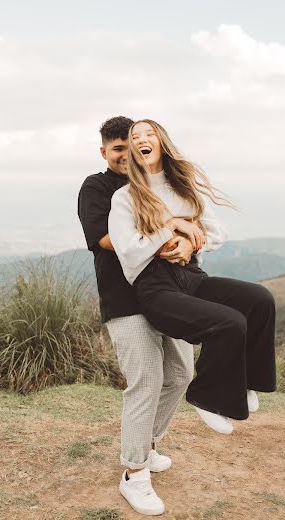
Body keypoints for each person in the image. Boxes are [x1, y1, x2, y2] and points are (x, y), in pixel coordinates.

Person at [108, 119, 276, 513]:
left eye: (149, 134)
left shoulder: (185, 186)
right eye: (135, 138)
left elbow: (216, 233)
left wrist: (187, 239)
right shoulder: (126, 197)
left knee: (258, 300)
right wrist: (170, 229)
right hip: (154, 286)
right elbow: (129, 251)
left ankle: (246, 381)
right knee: (227, 323)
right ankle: (206, 397)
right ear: (131, 151)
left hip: (191, 275)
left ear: (162, 142)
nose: (142, 140)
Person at [78, 117, 206, 517]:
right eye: (116, 148)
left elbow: (193, 221)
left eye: (129, 146)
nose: (124, 154)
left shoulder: (156, 181)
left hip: (170, 294)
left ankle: (145, 446)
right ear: (104, 152)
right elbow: (107, 238)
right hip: (125, 299)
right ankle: (134, 474)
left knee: (181, 373)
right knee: (146, 380)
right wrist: (166, 230)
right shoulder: (97, 188)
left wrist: (183, 240)